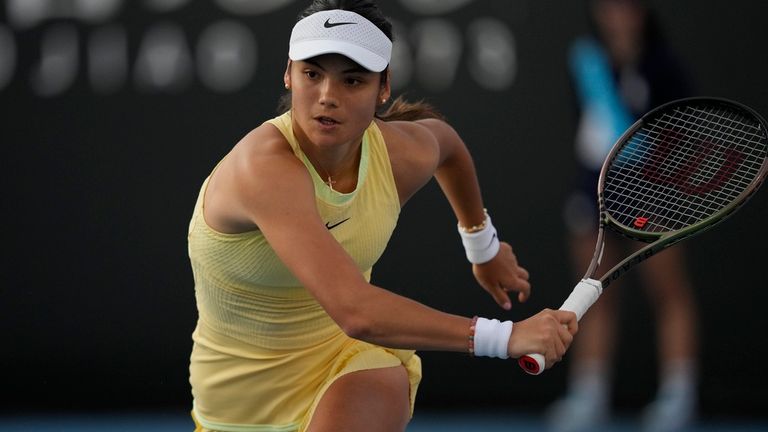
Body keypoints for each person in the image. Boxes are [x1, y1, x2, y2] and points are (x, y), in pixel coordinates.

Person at [186, 1, 578, 431]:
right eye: (312, 74)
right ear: (288, 74)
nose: (327, 96)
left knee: (382, 379)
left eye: (352, 80)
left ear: (383, 88)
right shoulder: (262, 169)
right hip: (234, 408)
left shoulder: (398, 153)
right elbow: (358, 311)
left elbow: (447, 146)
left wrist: (481, 244)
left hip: (346, 363)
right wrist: (504, 338)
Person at [548, 1, 699, 431]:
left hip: (653, 195)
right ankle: (588, 397)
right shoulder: (587, 59)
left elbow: (683, 134)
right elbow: (589, 128)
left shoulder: (664, 66)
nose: (618, 14)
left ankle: (678, 396)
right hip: (593, 194)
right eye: (609, 6)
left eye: (628, 6)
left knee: (669, 292)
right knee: (594, 300)